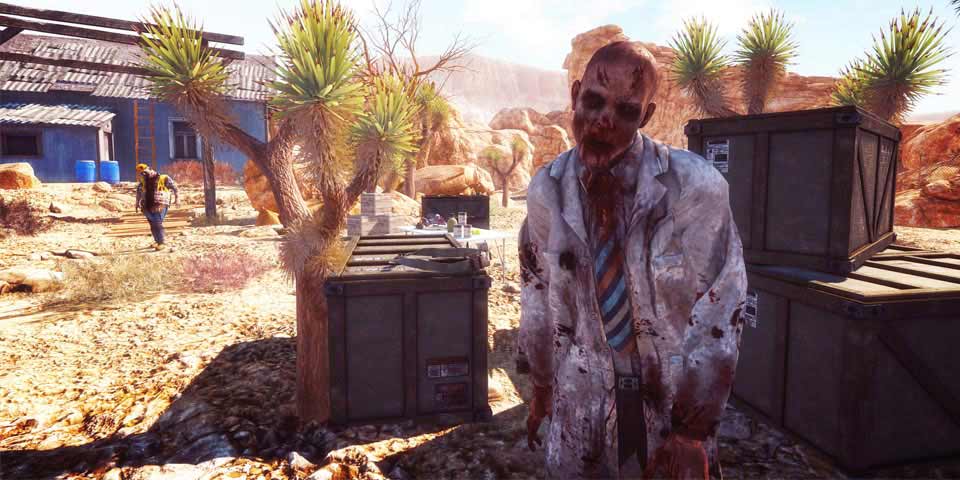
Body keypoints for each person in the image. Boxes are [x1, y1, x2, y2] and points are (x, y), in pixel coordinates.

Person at [518, 41, 747, 479]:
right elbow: (537, 293)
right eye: (593, 101)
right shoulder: (547, 190)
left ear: (646, 116)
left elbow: (721, 307)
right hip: (579, 396)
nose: (604, 120)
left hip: (667, 399)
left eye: (625, 110)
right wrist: (543, 385)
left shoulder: (693, 186)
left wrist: (692, 430)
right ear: (575, 94)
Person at [135, 163, 179, 251]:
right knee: (152, 223)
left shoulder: (164, 178)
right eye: (142, 173)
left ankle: (161, 242)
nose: (144, 174)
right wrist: (137, 203)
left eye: (145, 171)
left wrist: (177, 198)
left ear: (150, 169)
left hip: (161, 203)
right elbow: (139, 192)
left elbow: (175, 188)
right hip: (147, 205)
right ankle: (157, 241)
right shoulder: (143, 182)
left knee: (157, 222)